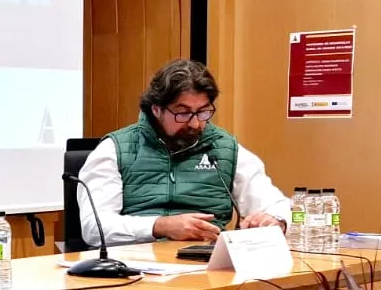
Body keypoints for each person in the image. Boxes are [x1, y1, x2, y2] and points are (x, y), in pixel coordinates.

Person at [78, 58, 290, 247]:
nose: (196, 123)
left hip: (207, 264)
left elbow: (279, 205)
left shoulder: (225, 148)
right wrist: (161, 226)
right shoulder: (115, 149)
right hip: (134, 267)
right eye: (183, 113)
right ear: (156, 109)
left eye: (204, 111)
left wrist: (276, 220)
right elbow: (94, 228)